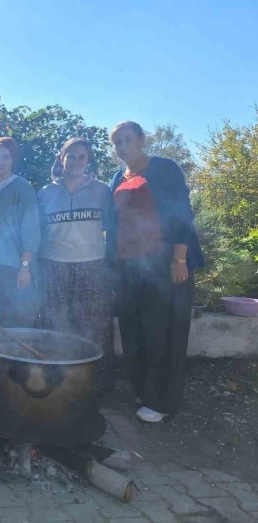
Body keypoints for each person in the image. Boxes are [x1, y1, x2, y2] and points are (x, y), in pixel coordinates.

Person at [107, 121, 204, 423]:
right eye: (117, 142)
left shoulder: (164, 169)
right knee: (134, 330)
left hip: (164, 264)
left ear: (141, 139)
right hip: (129, 267)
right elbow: (113, 225)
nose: (122, 147)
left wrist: (179, 259)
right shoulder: (116, 178)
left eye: (127, 140)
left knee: (162, 332)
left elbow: (181, 215)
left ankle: (162, 402)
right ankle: (142, 390)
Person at [38, 137, 116, 395]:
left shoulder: (103, 191)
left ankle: (97, 385)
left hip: (92, 264)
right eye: (71, 156)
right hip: (54, 264)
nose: (76, 161)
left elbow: (113, 228)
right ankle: (56, 380)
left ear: (88, 161)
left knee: (94, 325)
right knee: (55, 322)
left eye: (82, 157)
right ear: (62, 158)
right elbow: (37, 231)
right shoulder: (45, 193)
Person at [0, 136, 41, 328]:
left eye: (5, 157)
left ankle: (17, 359)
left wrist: (25, 266)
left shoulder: (22, 188)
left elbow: (31, 230)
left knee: (16, 321)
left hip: (14, 268)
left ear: (13, 160)